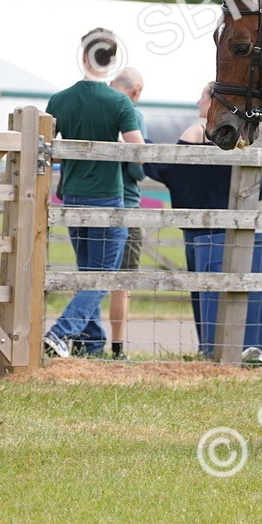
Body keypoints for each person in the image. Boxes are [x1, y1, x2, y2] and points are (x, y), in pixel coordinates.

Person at [144, 83, 262, 359]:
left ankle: (208, 348)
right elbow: (259, 190)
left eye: (201, 97)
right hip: (235, 229)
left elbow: (168, 169)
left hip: (199, 230)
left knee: (203, 293)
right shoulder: (242, 137)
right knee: (236, 292)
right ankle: (237, 348)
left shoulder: (198, 131)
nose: (197, 102)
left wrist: (144, 147)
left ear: (214, 101)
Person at [42, 29, 144, 359]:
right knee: (102, 276)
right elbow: (139, 154)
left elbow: (49, 149)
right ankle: (61, 333)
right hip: (108, 196)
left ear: (84, 56)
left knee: (87, 271)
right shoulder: (120, 103)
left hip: (72, 194)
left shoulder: (59, 100)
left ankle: (91, 344)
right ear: (113, 61)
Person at [107, 67, 146, 360]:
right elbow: (138, 169)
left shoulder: (96, 110)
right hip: (126, 201)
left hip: (88, 200)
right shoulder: (133, 115)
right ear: (136, 91)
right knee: (122, 283)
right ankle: (118, 346)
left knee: (87, 276)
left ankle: (83, 337)